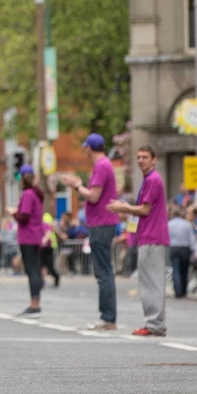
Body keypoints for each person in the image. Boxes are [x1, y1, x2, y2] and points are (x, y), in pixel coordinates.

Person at [107, 146, 170, 336]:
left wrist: (125, 207)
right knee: (150, 281)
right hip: (149, 236)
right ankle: (154, 323)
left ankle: (154, 324)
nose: (141, 160)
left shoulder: (152, 180)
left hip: (152, 237)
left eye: (145, 157)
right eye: (138, 157)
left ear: (154, 160)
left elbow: (145, 209)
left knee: (152, 282)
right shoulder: (149, 179)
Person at [61, 133, 119, 331]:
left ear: (89, 148)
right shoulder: (105, 165)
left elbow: (94, 196)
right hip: (103, 223)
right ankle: (108, 317)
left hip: (101, 224)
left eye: (85, 147)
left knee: (103, 272)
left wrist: (77, 185)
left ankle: (108, 318)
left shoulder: (101, 166)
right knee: (105, 271)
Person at [8, 165, 44, 318]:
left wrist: (13, 212)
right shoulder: (36, 194)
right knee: (33, 268)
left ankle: (34, 305)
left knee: (31, 270)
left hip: (28, 236)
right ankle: (35, 303)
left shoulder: (28, 194)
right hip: (35, 235)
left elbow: (24, 217)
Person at [168, 207, 196, 298]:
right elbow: (192, 238)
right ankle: (184, 290)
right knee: (184, 270)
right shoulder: (187, 224)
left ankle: (177, 291)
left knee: (176, 270)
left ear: (173, 215)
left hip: (174, 248)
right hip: (185, 249)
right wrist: (193, 251)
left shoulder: (169, 224)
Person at [40, 212, 60, 288]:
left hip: (49, 246)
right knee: (41, 265)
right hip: (40, 248)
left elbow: (50, 230)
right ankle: (42, 281)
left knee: (50, 266)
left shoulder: (46, 217)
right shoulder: (36, 221)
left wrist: (44, 240)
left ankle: (56, 276)